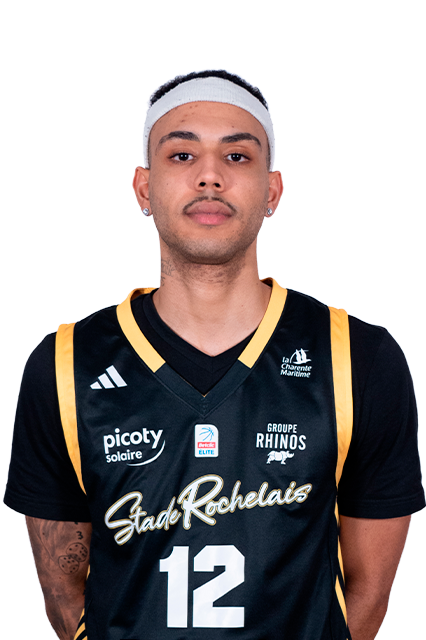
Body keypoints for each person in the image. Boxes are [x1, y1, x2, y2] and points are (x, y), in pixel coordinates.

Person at [4, 69, 425, 640]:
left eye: (236, 156)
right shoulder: (65, 364)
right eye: (181, 155)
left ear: (272, 191)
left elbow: (367, 598)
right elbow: (64, 593)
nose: (209, 176)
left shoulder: (360, 358)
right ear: (143, 188)